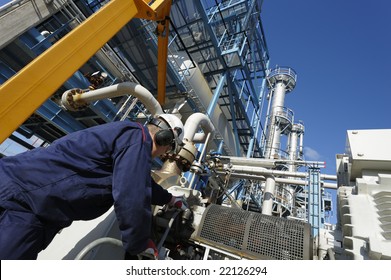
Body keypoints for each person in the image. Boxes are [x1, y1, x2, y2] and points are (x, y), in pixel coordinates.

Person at [0, 114, 188, 260]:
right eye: (169, 149)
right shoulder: (137, 138)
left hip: (16, 189)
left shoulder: (126, 135)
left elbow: (140, 182)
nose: (164, 155)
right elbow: (131, 194)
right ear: (164, 139)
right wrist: (139, 242)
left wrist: (170, 199)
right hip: (27, 207)